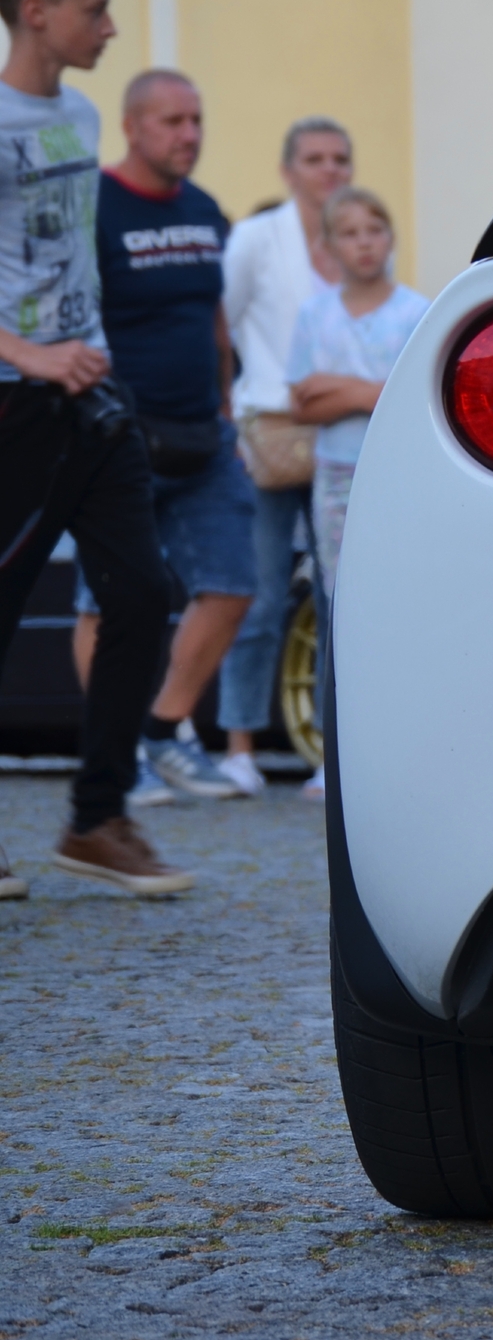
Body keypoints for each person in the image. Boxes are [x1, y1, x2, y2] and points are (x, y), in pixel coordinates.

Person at [0, 0, 191, 897]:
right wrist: (28, 352)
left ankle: (98, 815)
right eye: (95, 7)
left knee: (145, 592)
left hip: (93, 400)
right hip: (14, 409)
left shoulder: (77, 116)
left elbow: (70, 256)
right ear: (37, 11)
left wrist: (92, 350)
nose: (110, 26)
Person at [66, 68, 254, 802]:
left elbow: (214, 320)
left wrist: (228, 406)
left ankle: (160, 728)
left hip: (204, 436)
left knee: (235, 585)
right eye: (173, 121)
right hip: (118, 435)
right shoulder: (97, 206)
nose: (189, 135)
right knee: (103, 601)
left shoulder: (206, 210)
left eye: (197, 120)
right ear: (133, 127)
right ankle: (121, 756)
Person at [218, 117, 347, 790]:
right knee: (259, 593)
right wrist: (226, 407)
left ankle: (333, 754)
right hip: (267, 431)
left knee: (336, 598)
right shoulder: (256, 239)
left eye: (339, 159)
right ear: (288, 170)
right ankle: (238, 745)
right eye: (315, 159)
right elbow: (220, 318)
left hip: (341, 436)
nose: (329, 170)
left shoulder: (357, 233)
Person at [285, 186, 426, 795]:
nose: (364, 242)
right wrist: (372, 390)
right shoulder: (314, 317)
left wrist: (340, 389)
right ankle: (334, 754)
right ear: (328, 246)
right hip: (337, 478)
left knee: (398, 605)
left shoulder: (416, 312)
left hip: (396, 474)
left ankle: (403, 746)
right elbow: (301, 401)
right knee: (339, 610)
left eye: (374, 229)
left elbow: (410, 396)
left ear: (390, 238)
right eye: (350, 232)